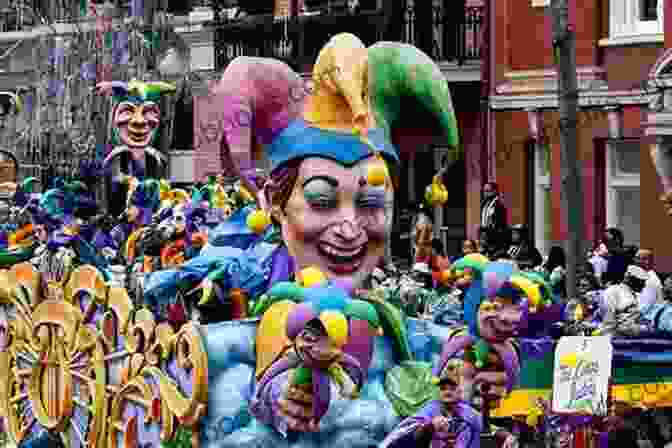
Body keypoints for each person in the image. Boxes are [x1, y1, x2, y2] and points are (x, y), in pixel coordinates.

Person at [594, 265, 649, 337]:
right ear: (631, 280)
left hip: (613, 336)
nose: (644, 285)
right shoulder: (621, 295)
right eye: (642, 282)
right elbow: (622, 326)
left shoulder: (626, 293)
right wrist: (644, 328)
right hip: (614, 338)